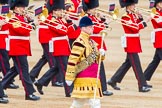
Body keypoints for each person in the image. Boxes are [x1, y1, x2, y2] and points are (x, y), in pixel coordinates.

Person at [107, 0, 151, 92]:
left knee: (128, 63)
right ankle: (142, 85)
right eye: (132, 5)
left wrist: (140, 17)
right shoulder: (125, 17)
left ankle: (113, 80)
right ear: (127, 6)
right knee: (136, 65)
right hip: (130, 43)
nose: (134, 6)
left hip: (134, 41)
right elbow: (135, 28)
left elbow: (137, 24)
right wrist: (145, 22)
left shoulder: (133, 15)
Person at [34, 0, 75, 97]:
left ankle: (41, 82)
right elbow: (63, 31)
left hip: (64, 46)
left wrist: (69, 22)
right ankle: (69, 91)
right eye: (60, 10)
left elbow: (70, 31)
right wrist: (68, 25)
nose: (62, 12)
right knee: (65, 69)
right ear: (54, 11)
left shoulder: (60, 20)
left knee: (56, 68)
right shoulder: (51, 21)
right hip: (59, 47)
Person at [2, 0, 40, 100]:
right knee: (24, 71)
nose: (24, 9)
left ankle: (1, 87)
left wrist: (30, 21)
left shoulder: (21, 18)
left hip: (22, 47)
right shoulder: (13, 19)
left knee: (14, 71)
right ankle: (29, 93)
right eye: (21, 7)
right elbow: (22, 31)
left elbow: (26, 28)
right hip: (17, 48)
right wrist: (33, 24)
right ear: (15, 8)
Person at [65, 16, 105, 108]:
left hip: (94, 77)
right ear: (83, 28)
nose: (92, 28)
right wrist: (69, 76)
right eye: (90, 27)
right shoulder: (80, 42)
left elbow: (97, 60)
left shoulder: (91, 42)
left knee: (79, 103)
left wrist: (101, 54)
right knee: (92, 103)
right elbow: (72, 60)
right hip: (84, 77)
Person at [82, 0, 113, 96]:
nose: (96, 10)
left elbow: (99, 26)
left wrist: (103, 20)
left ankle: (102, 88)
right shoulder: (87, 18)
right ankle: (101, 88)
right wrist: (105, 23)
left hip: (98, 43)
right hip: (93, 44)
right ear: (89, 10)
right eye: (93, 9)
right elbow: (94, 29)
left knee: (99, 67)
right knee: (95, 67)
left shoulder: (93, 17)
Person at [0, 0, 19, 89]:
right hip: (1, 39)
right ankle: (8, 81)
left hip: (6, 38)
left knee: (5, 60)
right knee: (5, 62)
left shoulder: (6, 12)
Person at [144, 0, 162, 84]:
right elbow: (160, 23)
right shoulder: (154, 12)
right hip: (159, 39)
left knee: (155, 61)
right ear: (157, 4)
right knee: (155, 60)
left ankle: (143, 78)